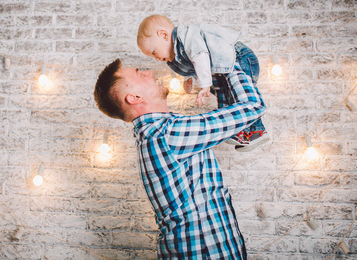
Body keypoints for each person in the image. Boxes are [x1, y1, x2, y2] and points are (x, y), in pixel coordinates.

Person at [94, 58, 266, 259]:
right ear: (134, 97)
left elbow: (231, 122)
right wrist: (228, 60)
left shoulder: (163, 130)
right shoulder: (165, 134)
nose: (149, 72)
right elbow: (253, 106)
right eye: (141, 73)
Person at [137, 14, 270, 151]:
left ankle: (257, 131)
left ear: (163, 35)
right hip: (222, 68)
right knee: (227, 98)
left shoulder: (186, 36)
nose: (156, 59)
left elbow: (200, 55)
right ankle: (241, 133)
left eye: (153, 52)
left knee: (241, 95)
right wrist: (191, 79)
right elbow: (194, 65)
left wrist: (205, 83)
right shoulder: (176, 55)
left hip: (238, 57)